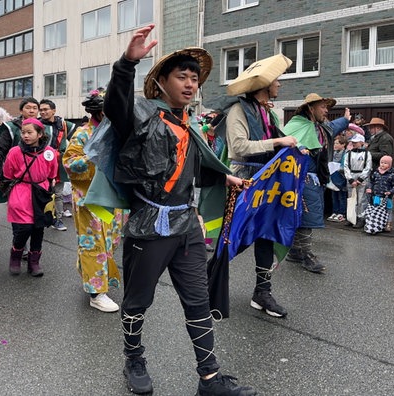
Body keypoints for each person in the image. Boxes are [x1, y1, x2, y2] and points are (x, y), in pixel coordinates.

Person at [104, 24, 256, 395]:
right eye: (181, 77)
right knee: (137, 301)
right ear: (161, 82)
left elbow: (196, 168)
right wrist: (127, 63)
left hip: (186, 226)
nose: (190, 84)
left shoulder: (190, 125)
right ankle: (133, 358)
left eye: (194, 79)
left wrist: (227, 179)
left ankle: (210, 377)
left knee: (197, 301)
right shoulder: (140, 114)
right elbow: (114, 106)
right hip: (149, 226)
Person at [224, 53, 298, 318]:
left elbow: (278, 144)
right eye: (276, 80)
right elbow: (239, 147)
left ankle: (262, 292)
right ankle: (209, 286)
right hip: (242, 182)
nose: (279, 84)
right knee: (230, 238)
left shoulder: (269, 114)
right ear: (264, 86)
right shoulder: (237, 110)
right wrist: (279, 143)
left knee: (266, 235)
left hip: (267, 183)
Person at [63, 89, 125, 313]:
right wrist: (97, 155)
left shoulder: (116, 131)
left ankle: (90, 273)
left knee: (110, 242)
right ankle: (96, 293)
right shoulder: (83, 133)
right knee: (94, 244)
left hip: (113, 198)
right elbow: (69, 163)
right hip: (90, 198)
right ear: (97, 111)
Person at [282, 93, 342, 273]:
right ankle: (306, 254)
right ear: (311, 108)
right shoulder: (296, 125)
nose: (326, 111)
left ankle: (294, 251)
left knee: (303, 215)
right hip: (300, 177)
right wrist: (299, 146)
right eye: (322, 107)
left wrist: (346, 120)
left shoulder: (319, 127)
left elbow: (333, 126)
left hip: (315, 178)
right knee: (308, 217)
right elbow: (287, 141)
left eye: (327, 107)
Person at [3, 118, 58, 276]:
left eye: (29, 132)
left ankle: (34, 262)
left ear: (40, 134)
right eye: (23, 132)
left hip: (41, 191)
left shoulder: (49, 153)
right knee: (24, 227)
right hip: (21, 190)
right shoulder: (15, 152)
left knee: (38, 228)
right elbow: (8, 173)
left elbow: (52, 173)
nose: (25, 136)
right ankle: (16, 254)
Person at [39, 99, 76, 231]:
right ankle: (41, 218)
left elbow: (76, 138)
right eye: (41, 110)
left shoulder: (65, 124)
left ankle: (58, 220)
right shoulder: (37, 125)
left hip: (59, 164)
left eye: (46, 109)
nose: (43, 112)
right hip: (41, 163)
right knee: (42, 192)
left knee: (58, 193)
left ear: (54, 110)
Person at [343, 133, 371, 228]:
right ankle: (351, 217)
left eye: (356, 142)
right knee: (351, 198)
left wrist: (360, 179)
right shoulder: (348, 153)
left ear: (362, 142)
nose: (354, 144)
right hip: (351, 175)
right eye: (353, 142)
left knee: (361, 199)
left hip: (361, 177)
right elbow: (346, 166)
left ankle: (361, 218)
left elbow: (368, 167)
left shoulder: (367, 154)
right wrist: (350, 179)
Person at [365, 155, 394, 233]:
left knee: (388, 210)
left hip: (387, 196)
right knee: (375, 209)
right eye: (381, 162)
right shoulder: (376, 173)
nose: (383, 164)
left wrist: (390, 191)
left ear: (389, 165)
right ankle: (376, 222)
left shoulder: (392, 175)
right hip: (376, 195)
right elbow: (372, 182)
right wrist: (370, 188)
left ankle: (388, 223)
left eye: (385, 163)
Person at [328, 134, 348, 222]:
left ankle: (342, 213)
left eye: (337, 143)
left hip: (341, 177)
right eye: (334, 143)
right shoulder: (333, 153)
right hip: (333, 177)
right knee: (334, 196)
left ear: (343, 144)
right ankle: (335, 211)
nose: (335, 145)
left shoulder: (346, 153)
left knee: (342, 196)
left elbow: (345, 166)